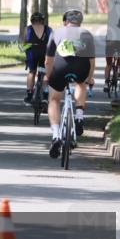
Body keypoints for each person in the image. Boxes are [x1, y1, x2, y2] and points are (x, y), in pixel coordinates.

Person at [45, 9, 96, 159]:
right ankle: (79, 116)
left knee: (54, 99)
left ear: (65, 21)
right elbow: (92, 61)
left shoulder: (56, 32)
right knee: (81, 83)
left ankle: (56, 136)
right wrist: (89, 78)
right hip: (81, 66)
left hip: (61, 66)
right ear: (80, 22)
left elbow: (48, 60)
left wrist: (49, 77)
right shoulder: (87, 34)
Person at [22, 12, 50, 103]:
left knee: (32, 72)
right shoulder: (48, 29)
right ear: (42, 21)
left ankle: (29, 96)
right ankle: (45, 96)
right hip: (45, 52)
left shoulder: (28, 29)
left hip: (32, 52)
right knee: (45, 73)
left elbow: (25, 43)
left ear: (32, 20)